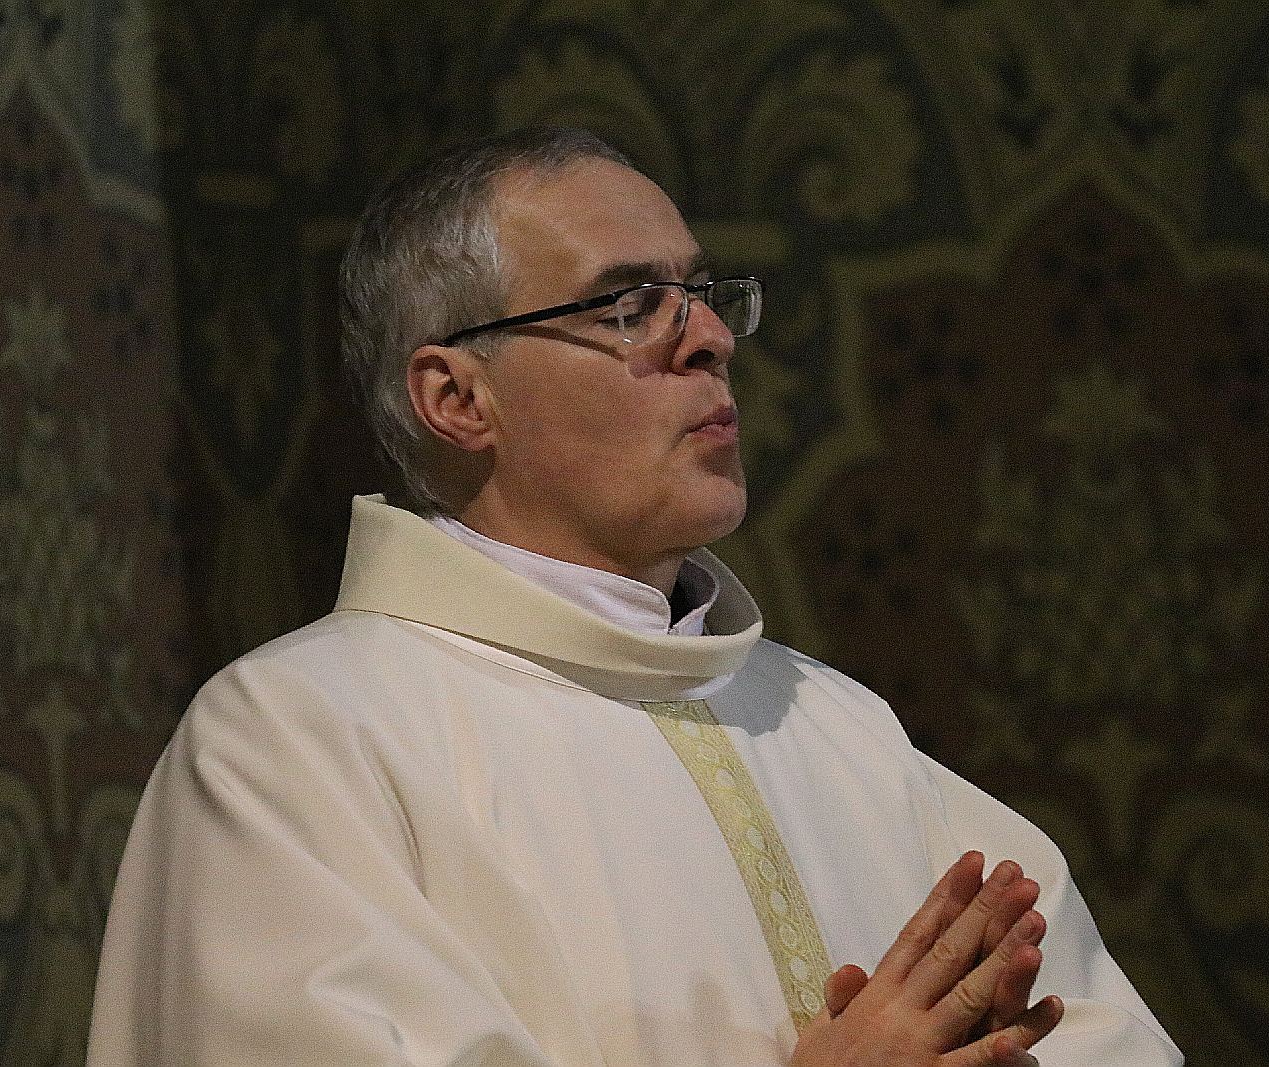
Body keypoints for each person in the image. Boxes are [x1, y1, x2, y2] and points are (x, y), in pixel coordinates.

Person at [88, 127, 1182, 1066]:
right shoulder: (296, 741)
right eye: (630, 305)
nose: (710, 337)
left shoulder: (840, 728)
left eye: (703, 295)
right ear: (457, 397)